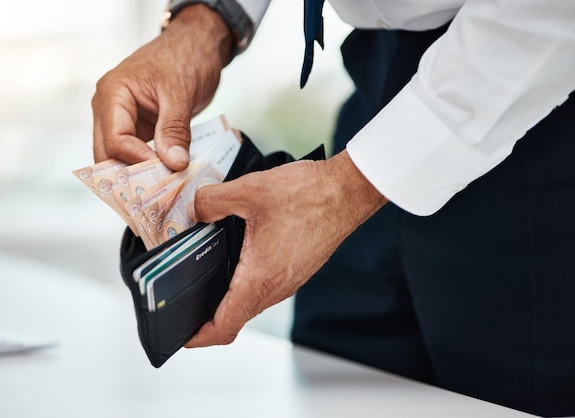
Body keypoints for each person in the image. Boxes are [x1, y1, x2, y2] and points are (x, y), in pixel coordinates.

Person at [91, 0, 575, 415]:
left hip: (533, 109)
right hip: (373, 96)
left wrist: (347, 189)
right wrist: (208, 20)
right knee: (334, 382)